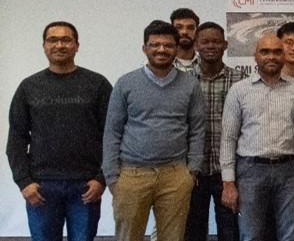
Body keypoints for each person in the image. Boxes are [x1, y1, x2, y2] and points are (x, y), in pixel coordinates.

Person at [7, 21, 111, 241]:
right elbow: (16, 138)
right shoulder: (29, 87)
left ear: (76, 45)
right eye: (52, 40)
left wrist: (102, 179)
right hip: (42, 187)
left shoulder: (98, 84)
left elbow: (112, 136)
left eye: (66, 39)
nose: (59, 45)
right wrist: (24, 182)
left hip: (86, 186)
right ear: (44, 46)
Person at [102, 21, 204, 241]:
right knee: (128, 236)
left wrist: (192, 170)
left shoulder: (190, 85)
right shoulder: (126, 83)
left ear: (176, 48)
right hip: (132, 175)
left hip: (175, 175)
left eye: (168, 45)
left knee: (173, 237)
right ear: (144, 48)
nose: (161, 50)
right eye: (154, 44)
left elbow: (197, 129)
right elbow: (112, 131)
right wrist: (112, 176)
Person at [220, 34, 294, 241]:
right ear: (255, 56)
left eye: (277, 52)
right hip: (250, 171)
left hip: (290, 172)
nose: (271, 57)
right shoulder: (239, 90)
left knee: (291, 236)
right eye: (265, 51)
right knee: (250, 235)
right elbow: (228, 138)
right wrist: (228, 183)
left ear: (284, 56)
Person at [185, 21, 246, 241]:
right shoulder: (183, 81)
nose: (211, 46)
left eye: (216, 41)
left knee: (230, 231)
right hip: (194, 171)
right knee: (192, 230)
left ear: (226, 45)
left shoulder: (241, 81)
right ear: (196, 45)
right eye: (205, 41)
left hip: (228, 172)